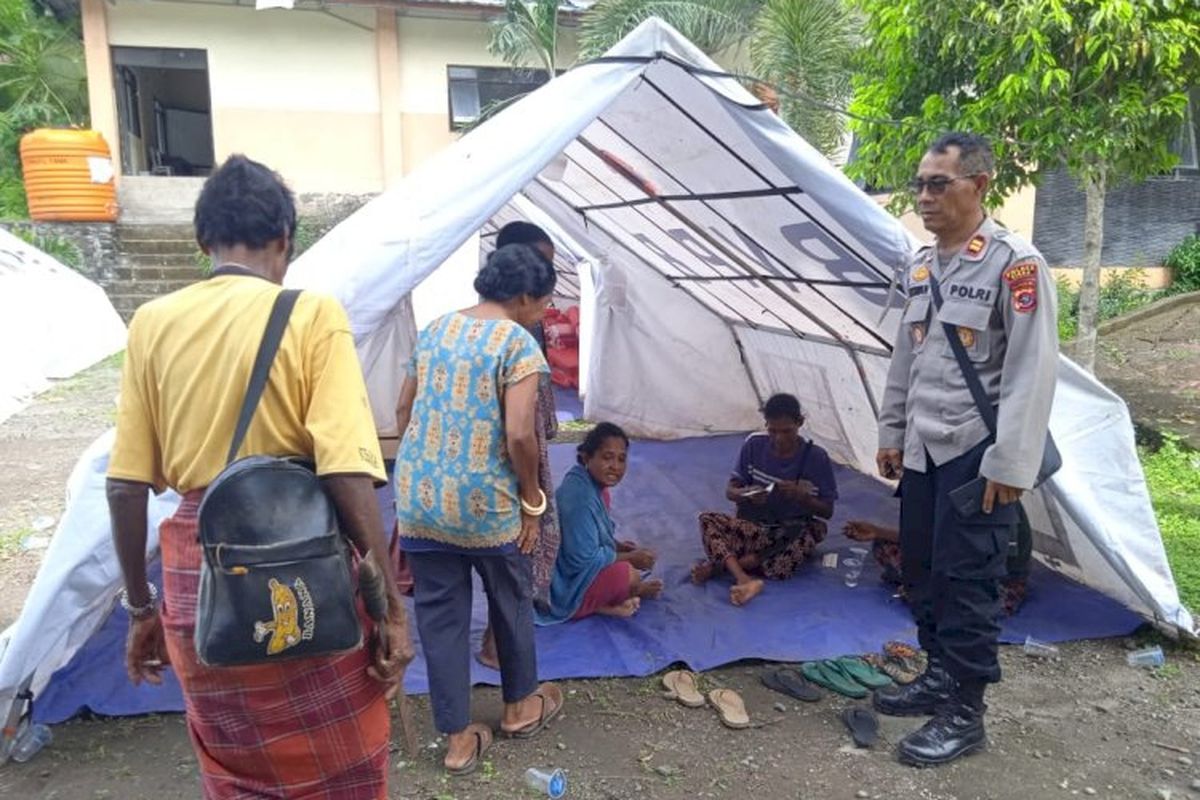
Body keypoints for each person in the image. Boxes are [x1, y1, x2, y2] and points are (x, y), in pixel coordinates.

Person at [106, 155, 411, 799]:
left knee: (236, 772)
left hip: (201, 582)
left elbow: (126, 486)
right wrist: (389, 611)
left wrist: (142, 610)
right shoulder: (312, 315)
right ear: (284, 241)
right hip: (306, 573)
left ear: (203, 243)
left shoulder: (152, 325)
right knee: (345, 764)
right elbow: (348, 472)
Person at [874, 132, 1058, 766]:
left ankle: (966, 712)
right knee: (921, 570)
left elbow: (1033, 372)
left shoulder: (1015, 264)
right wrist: (891, 433)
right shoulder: (923, 265)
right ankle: (936, 674)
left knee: (970, 582)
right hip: (924, 451)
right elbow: (908, 357)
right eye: (920, 184)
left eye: (938, 184)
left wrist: (1012, 465)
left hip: (978, 458)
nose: (923, 196)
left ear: (978, 185)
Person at [393, 243, 564, 775]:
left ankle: (458, 739)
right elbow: (519, 433)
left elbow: (404, 407)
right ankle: (518, 708)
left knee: (440, 616)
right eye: (544, 302)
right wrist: (532, 499)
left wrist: (424, 466)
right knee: (510, 598)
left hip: (421, 502)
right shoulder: (518, 343)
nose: (546, 311)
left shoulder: (438, 328)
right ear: (521, 297)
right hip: (485, 505)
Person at [478, 221, 561, 669]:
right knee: (519, 546)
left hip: (503, 454)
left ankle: (497, 641)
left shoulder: (467, 327)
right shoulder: (514, 334)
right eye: (543, 266)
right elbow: (518, 429)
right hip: (513, 455)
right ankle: (499, 646)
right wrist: (532, 493)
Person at [690, 393, 837, 606]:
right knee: (707, 519)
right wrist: (746, 494)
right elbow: (731, 491)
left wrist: (802, 497)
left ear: (800, 423)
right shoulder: (754, 445)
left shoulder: (815, 458)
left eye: (787, 431)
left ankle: (725, 566)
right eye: (772, 431)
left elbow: (827, 511)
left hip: (788, 534)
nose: (779, 439)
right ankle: (745, 577)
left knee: (786, 560)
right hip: (755, 528)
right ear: (766, 425)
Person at [537, 423, 664, 623]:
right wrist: (629, 557)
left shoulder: (595, 488)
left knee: (629, 565)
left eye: (621, 459)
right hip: (564, 586)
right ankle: (595, 606)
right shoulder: (581, 500)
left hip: (575, 572)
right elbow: (581, 560)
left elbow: (593, 536)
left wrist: (619, 547)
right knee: (628, 575)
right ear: (587, 457)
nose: (615, 466)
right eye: (607, 457)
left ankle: (616, 598)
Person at [843, 504, 1033, 616]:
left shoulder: (998, 502)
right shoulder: (952, 492)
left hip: (993, 580)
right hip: (952, 562)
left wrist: (934, 584)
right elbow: (931, 538)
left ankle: (928, 593)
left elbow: (982, 561)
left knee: (962, 606)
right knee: (883, 546)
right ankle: (925, 589)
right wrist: (877, 531)